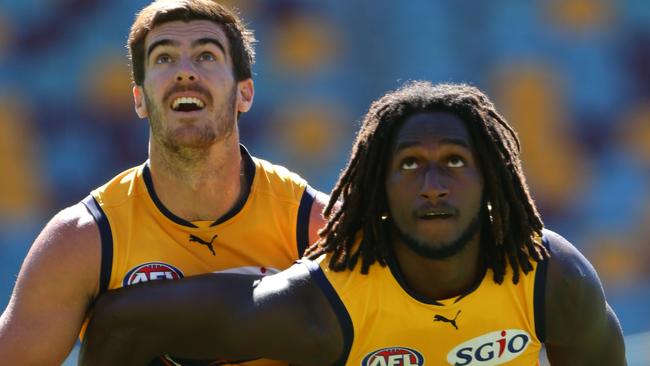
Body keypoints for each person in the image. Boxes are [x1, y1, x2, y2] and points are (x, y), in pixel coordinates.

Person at [80, 81, 627, 365]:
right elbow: (123, 321)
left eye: (456, 162)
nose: (433, 184)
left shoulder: (552, 279)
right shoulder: (325, 305)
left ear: (493, 181)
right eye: (409, 164)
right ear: (377, 191)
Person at [0, 1, 328, 365]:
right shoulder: (82, 240)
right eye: (163, 58)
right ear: (139, 99)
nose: (185, 72)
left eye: (206, 56)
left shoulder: (318, 229)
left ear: (244, 93)